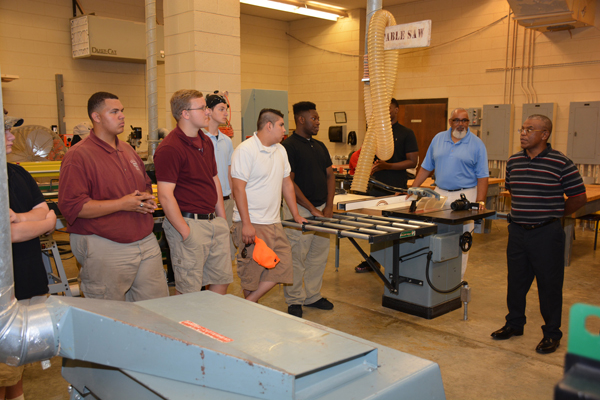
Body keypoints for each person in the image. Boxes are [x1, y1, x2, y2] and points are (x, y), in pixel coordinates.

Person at [58, 92, 168, 302]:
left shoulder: (127, 149)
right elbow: (72, 207)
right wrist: (122, 204)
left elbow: (144, 184)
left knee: (156, 309)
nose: (122, 116)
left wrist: (146, 198)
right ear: (96, 117)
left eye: (122, 111)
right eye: (114, 111)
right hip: (105, 244)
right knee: (109, 314)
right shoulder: (79, 156)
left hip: (144, 241)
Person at [491, 114, 586, 354]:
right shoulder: (513, 162)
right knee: (516, 282)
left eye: (529, 129)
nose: (523, 133)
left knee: (549, 285)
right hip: (517, 232)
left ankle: (552, 334)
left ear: (544, 135)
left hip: (546, 234)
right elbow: (513, 190)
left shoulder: (561, 163)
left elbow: (578, 197)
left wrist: (553, 215)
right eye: (522, 129)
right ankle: (514, 324)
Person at [154, 89, 232, 296]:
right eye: (202, 108)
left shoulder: (205, 141)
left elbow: (214, 179)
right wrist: (185, 232)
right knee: (189, 291)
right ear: (185, 114)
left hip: (213, 222)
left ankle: (209, 325)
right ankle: (187, 327)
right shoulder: (170, 148)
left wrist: (222, 220)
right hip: (189, 224)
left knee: (221, 280)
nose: (207, 112)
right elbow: (165, 195)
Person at [2, 113, 56, 400]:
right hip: (4, 287)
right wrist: (42, 223)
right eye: (6, 132)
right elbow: (8, 235)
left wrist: (27, 219)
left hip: (27, 278)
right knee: (3, 364)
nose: (12, 137)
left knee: (17, 360)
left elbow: (45, 211)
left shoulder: (17, 172)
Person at [230, 108, 306, 303]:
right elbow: (238, 189)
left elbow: (287, 183)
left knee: (284, 264)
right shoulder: (246, 150)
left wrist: (296, 214)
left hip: (274, 222)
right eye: (281, 125)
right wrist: (246, 223)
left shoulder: (280, 150)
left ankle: (249, 303)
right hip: (252, 223)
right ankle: (250, 314)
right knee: (251, 274)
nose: (284, 130)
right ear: (269, 126)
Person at [410, 107, 488, 278]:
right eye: (457, 120)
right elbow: (426, 167)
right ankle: (436, 276)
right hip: (439, 194)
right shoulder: (438, 139)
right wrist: (413, 189)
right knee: (436, 233)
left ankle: (456, 279)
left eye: (464, 120)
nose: (461, 124)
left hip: (465, 195)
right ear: (450, 122)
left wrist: (480, 201)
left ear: (468, 122)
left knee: (463, 237)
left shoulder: (477, 144)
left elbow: (483, 176)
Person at [281, 101, 335, 318]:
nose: (318, 122)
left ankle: (312, 295)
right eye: (314, 118)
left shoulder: (320, 146)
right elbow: (290, 183)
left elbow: (330, 175)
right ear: (301, 119)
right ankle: (294, 299)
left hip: (322, 209)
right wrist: (312, 208)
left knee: (318, 256)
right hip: (300, 211)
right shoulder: (289, 147)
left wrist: (329, 206)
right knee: (296, 257)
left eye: (318, 118)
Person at [354, 99, 419, 273]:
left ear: (396, 109)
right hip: (375, 188)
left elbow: (412, 162)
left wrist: (388, 166)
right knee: (375, 226)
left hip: (395, 189)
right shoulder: (373, 133)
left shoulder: (406, 133)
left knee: (393, 226)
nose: (383, 111)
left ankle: (394, 261)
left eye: (387, 107)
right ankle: (374, 260)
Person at [203, 92, 236, 260]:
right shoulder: (200, 140)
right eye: (221, 109)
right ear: (208, 111)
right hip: (208, 202)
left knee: (226, 250)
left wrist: (234, 200)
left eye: (226, 109)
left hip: (226, 200)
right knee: (210, 251)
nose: (225, 113)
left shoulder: (226, 141)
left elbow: (229, 172)